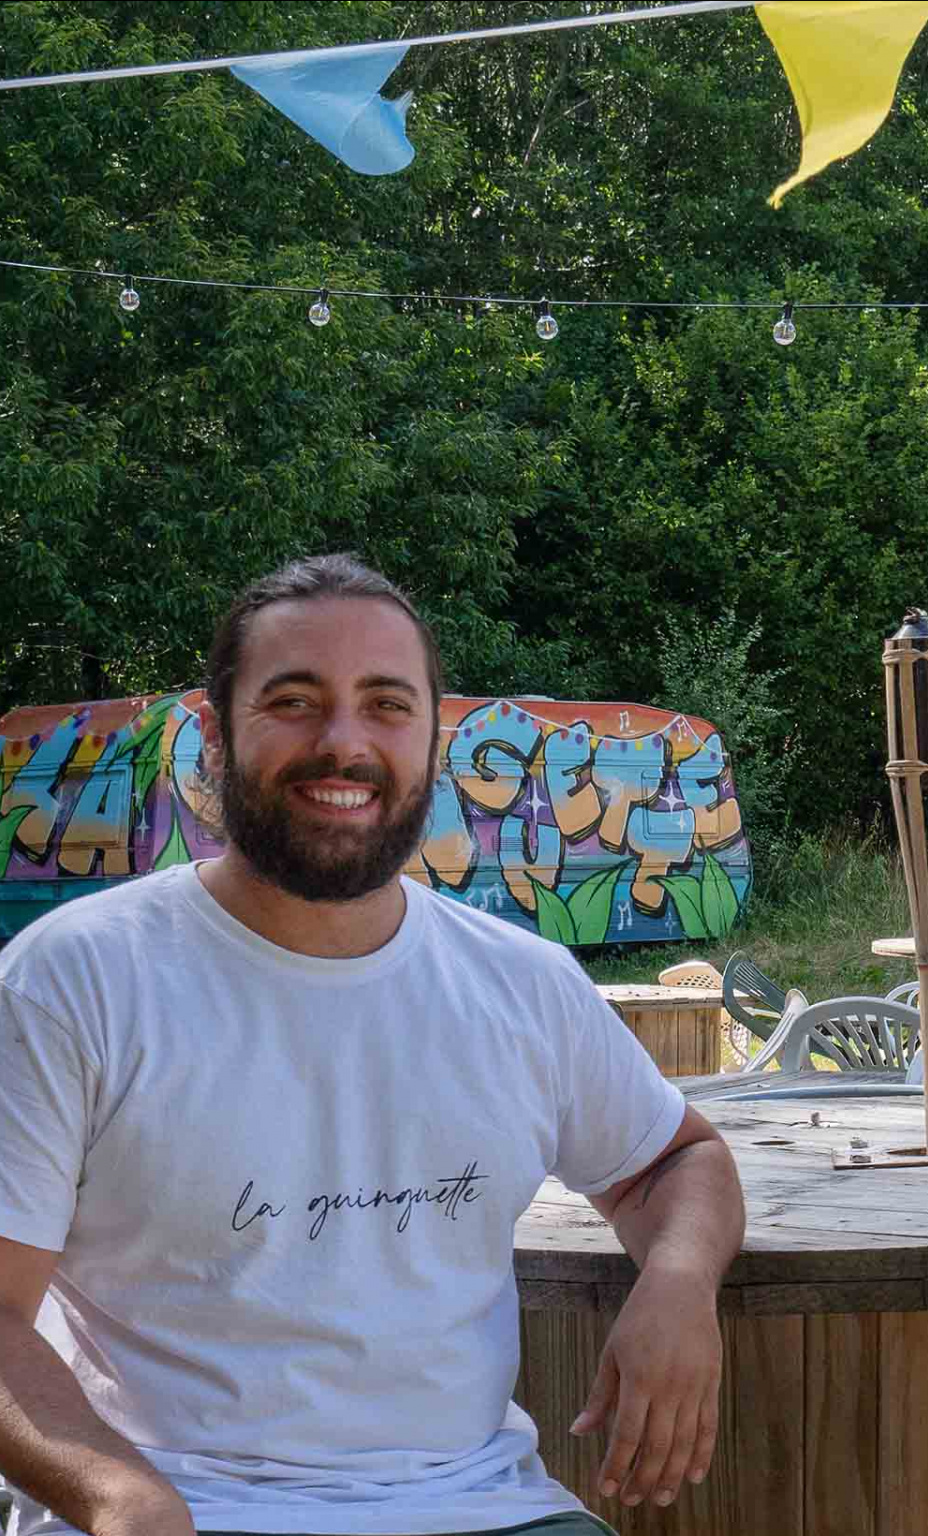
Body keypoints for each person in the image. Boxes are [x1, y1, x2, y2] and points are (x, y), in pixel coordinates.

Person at [0, 555, 745, 1536]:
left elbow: (673, 1160)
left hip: (484, 1511)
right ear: (216, 744)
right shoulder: (74, 980)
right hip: (181, 1512)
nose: (343, 743)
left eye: (387, 705)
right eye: (295, 701)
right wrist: (119, 1496)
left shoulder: (522, 984)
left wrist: (682, 1285)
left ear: (434, 745)